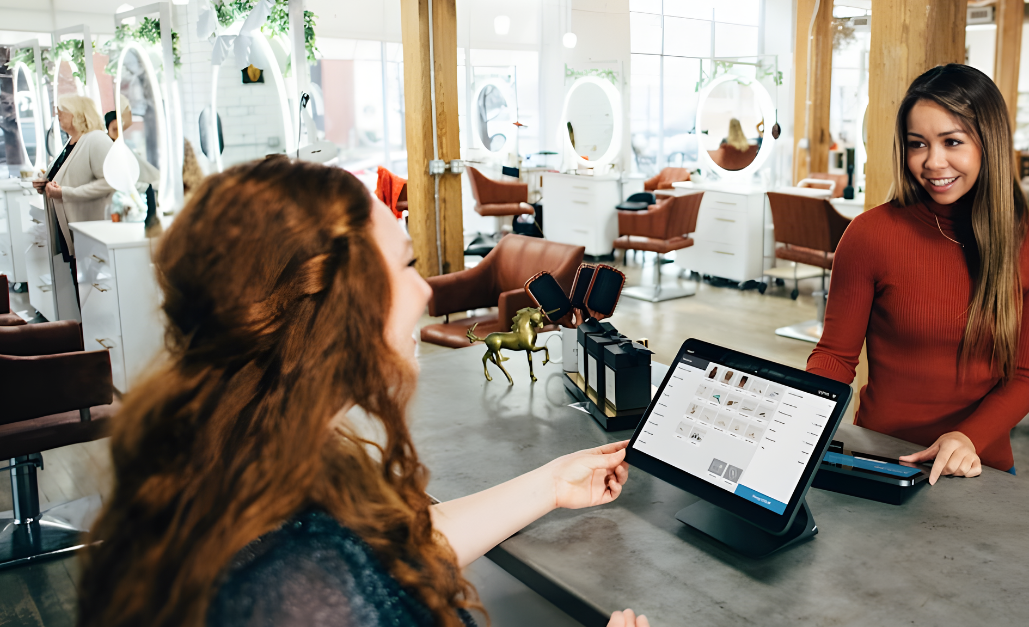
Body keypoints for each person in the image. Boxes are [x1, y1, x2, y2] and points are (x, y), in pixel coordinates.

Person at [76, 157, 650, 627]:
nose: (424, 291)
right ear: (335, 305)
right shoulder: (296, 587)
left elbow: (391, 552)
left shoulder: (239, 453)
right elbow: (346, 575)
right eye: (406, 265)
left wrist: (549, 485)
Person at [806, 64, 1029, 483]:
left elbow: (1026, 377)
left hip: (979, 466)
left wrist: (967, 438)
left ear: (989, 143)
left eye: (952, 141)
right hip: (880, 458)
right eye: (918, 144)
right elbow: (835, 356)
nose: (932, 162)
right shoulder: (871, 235)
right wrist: (798, 416)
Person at [33, 94, 113, 263]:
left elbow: (109, 182)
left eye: (63, 111)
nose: (58, 115)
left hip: (88, 226)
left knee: (88, 282)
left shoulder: (97, 139)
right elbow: (65, 176)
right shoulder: (72, 142)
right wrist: (45, 184)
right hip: (68, 222)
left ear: (78, 113)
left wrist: (65, 193)